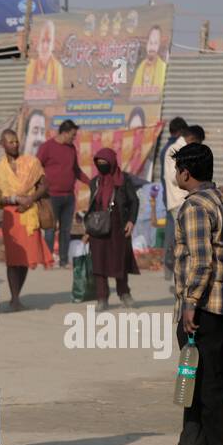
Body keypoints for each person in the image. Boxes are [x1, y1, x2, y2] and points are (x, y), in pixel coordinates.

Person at [165, 142, 223, 445]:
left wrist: (190, 304)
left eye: (178, 169)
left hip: (203, 307)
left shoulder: (195, 207)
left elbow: (201, 262)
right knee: (196, 376)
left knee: (207, 378)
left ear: (185, 173)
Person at [0, 129, 52, 311]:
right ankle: (14, 297)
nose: (14, 144)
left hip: (30, 213)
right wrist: (16, 199)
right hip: (12, 216)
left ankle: (17, 294)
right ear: (3, 145)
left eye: (16, 141)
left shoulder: (31, 162)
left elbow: (44, 184)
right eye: (10, 142)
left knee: (25, 259)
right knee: (13, 259)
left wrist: (31, 199)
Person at [86, 147, 139, 310]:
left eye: (105, 163)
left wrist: (131, 221)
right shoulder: (95, 182)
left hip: (118, 226)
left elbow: (134, 201)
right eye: (99, 163)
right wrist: (87, 230)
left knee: (119, 262)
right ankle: (102, 298)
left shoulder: (123, 180)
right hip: (99, 228)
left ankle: (124, 294)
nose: (102, 166)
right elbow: (92, 205)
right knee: (99, 263)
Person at [37, 118, 87, 267]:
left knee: (66, 230)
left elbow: (76, 170)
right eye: (72, 135)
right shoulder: (47, 147)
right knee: (50, 229)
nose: (74, 138)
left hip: (69, 196)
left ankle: (64, 261)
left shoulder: (71, 149)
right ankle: (47, 260)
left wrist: (91, 182)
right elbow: (36, 166)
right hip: (52, 196)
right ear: (64, 133)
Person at [162, 122, 202, 282]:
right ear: (192, 138)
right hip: (179, 200)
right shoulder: (175, 150)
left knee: (185, 241)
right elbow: (173, 177)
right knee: (184, 242)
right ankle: (179, 278)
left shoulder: (182, 149)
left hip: (185, 200)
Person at [24, 20, 64, 101]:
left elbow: (59, 98)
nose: (45, 46)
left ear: (53, 45)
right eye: (43, 41)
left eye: (49, 41)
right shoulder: (30, 66)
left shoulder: (57, 68)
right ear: (38, 44)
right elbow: (25, 95)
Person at [130, 25, 168, 99]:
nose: (152, 47)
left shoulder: (162, 67)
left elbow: (158, 96)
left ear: (159, 45)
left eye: (155, 43)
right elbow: (133, 96)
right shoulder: (141, 67)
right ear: (146, 44)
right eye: (150, 42)